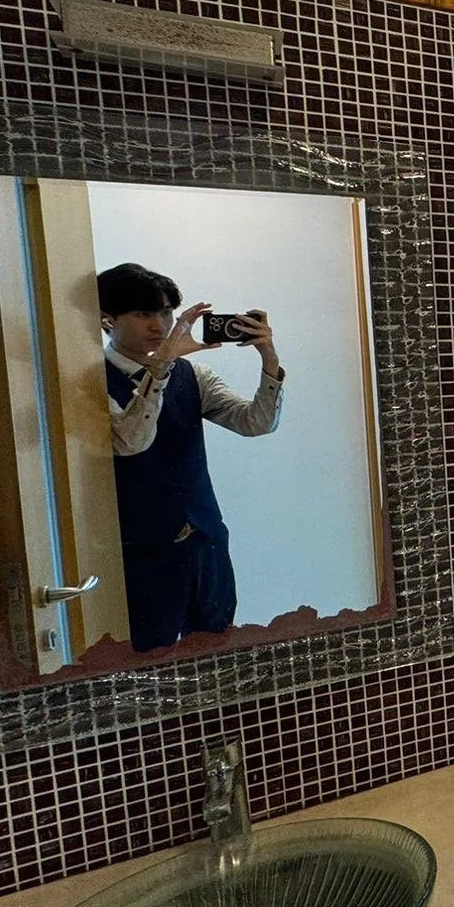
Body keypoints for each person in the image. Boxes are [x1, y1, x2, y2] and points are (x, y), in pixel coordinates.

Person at [98, 262, 285, 652]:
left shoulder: (192, 375)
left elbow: (255, 423)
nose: (160, 325)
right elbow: (131, 441)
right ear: (107, 320)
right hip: (142, 552)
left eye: (166, 312)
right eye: (143, 314)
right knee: (150, 653)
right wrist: (160, 366)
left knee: (218, 648)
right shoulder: (91, 380)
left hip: (207, 540)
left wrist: (269, 360)